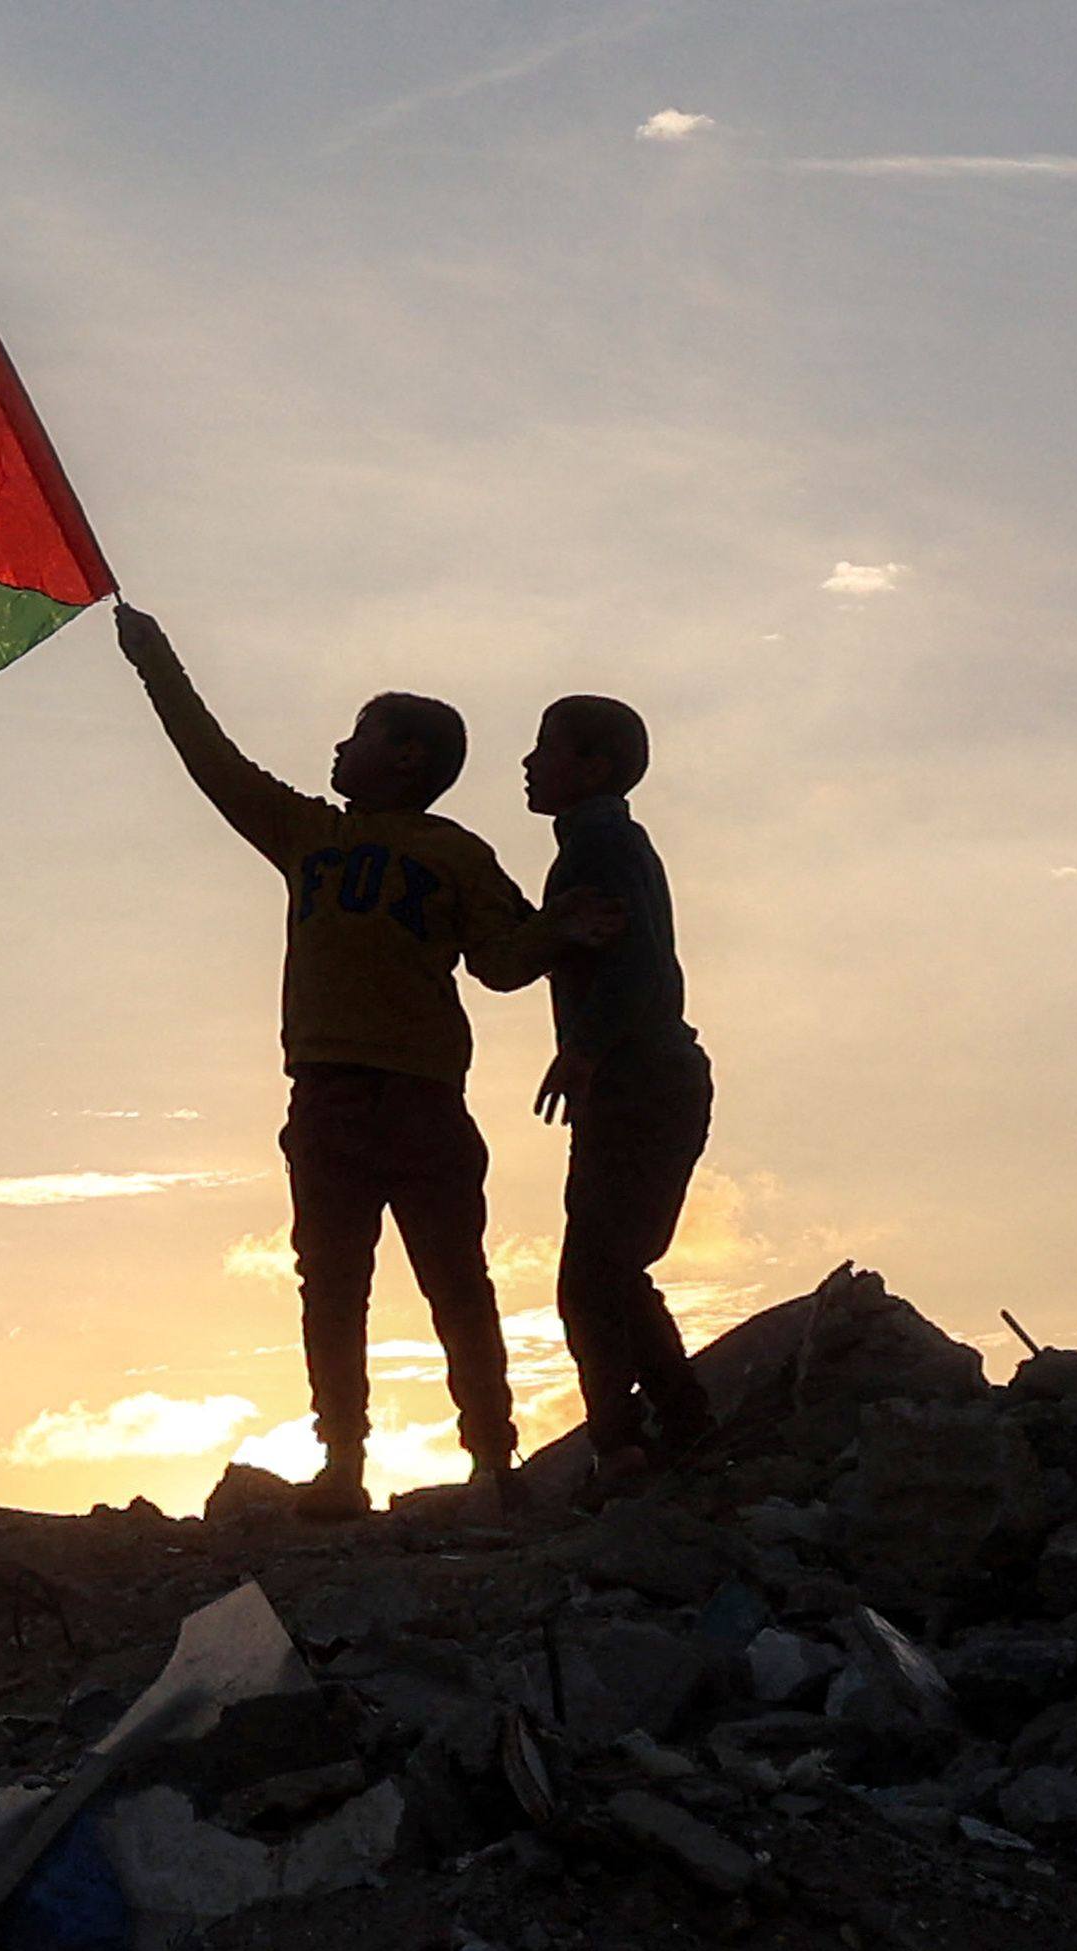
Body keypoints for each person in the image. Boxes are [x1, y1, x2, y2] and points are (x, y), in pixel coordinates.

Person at [113, 600, 537, 1521]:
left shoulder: (456, 854)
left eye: (359, 737)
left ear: (407, 758)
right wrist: (157, 666)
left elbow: (503, 964)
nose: (339, 752)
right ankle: (343, 1462)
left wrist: (565, 937)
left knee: (454, 1280)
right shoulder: (309, 834)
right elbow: (214, 766)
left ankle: (494, 1459)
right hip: (329, 1098)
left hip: (423, 1098)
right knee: (333, 1285)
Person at [508, 693, 714, 1472]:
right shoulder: (604, 843)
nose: (529, 764)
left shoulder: (597, 846)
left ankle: (629, 1448)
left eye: (545, 747)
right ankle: (679, 1430)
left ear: (592, 767)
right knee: (610, 1272)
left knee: (593, 1279)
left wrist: (585, 1049)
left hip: (641, 1082)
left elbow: (641, 966)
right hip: (646, 1082)